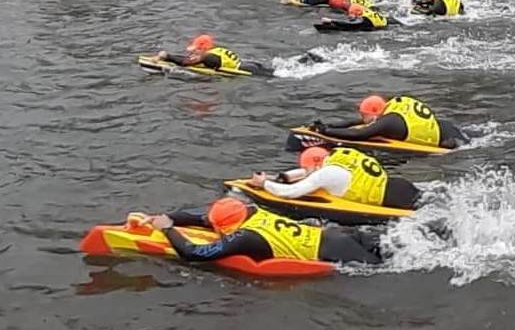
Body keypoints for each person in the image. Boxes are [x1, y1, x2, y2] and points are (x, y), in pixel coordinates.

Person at [145, 198, 383, 265]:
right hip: (334, 235)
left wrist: (168, 230)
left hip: (334, 251)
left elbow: (195, 253)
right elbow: (201, 218)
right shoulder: (250, 210)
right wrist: (169, 217)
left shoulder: (245, 237)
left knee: (382, 269)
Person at [248, 146, 421, 210]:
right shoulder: (340, 155)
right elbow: (307, 173)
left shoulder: (326, 174)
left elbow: (289, 192)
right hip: (400, 185)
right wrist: (277, 176)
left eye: (306, 168)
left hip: (393, 201)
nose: (304, 171)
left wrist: (264, 183)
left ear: (315, 165)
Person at [311, 94, 468, 149]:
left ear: (374, 114)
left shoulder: (389, 122)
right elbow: (356, 123)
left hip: (447, 137)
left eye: (364, 114)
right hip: (443, 125)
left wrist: (325, 132)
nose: (362, 118)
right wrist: (329, 125)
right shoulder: (390, 109)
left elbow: (359, 133)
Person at [156, 34, 271, 75]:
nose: (194, 51)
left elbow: (186, 63)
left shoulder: (207, 56)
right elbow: (190, 58)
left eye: (196, 49)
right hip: (248, 64)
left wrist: (167, 56)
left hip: (247, 70)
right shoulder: (216, 50)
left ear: (203, 48)